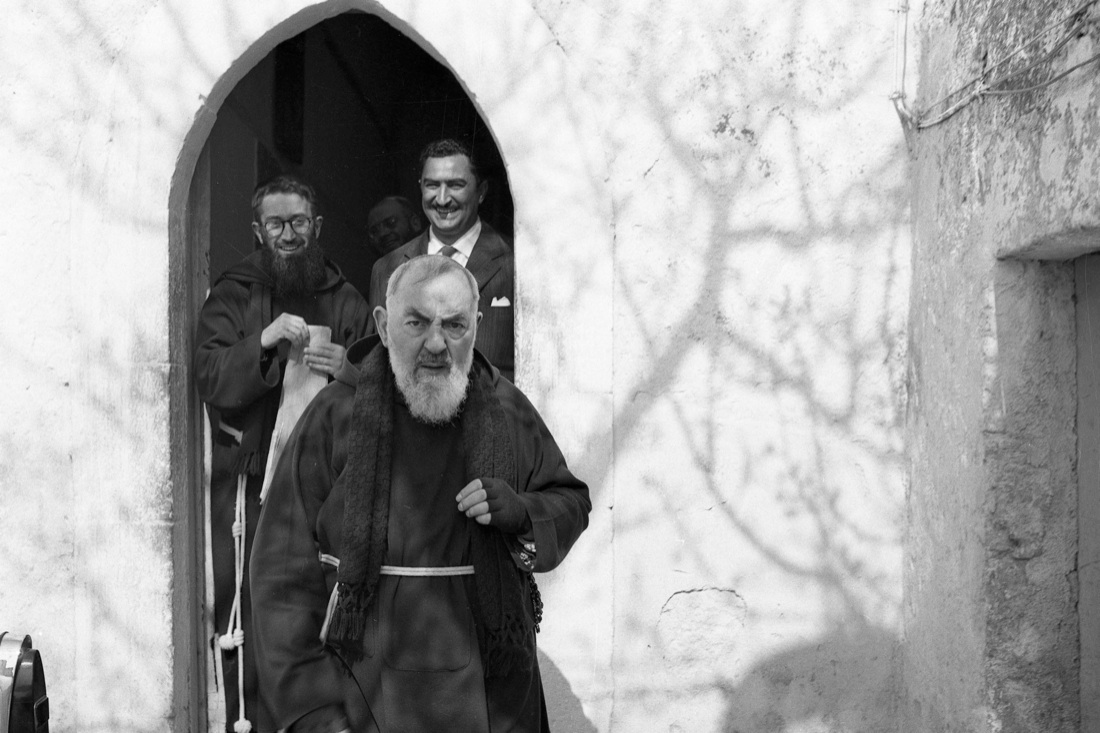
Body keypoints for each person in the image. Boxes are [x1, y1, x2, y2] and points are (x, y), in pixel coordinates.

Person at [250, 254, 591, 732]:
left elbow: (569, 501)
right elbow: (281, 570)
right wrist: (313, 712)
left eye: (454, 325)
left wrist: (523, 513)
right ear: (383, 326)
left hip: (491, 694)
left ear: (477, 325)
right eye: (417, 323)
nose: (436, 344)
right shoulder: (335, 415)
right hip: (363, 693)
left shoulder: (506, 409)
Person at [195, 174, 372, 732]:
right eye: (276, 224)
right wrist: (263, 341)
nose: (288, 235)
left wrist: (348, 369)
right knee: (249, 605)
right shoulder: (233, 294)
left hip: (329, 491)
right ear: (258, 230)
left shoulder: (347, 300)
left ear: (316, 226)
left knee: (320, 605)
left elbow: (384, 387)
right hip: (249, 490)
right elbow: (209, 376)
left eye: (298, 223)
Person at [367, 138, 515, 380]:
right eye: (432, 185)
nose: (443, 199)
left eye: (456, 185)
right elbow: (381, 365)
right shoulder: (386, 268)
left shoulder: (514, 263)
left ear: (481, 192)